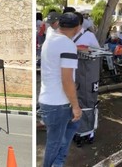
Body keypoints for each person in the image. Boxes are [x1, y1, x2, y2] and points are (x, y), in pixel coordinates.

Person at [38, 12, 82, 167]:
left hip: (50, 100)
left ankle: (58, 163)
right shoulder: (67, 44)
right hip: (58, 103)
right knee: (54, 143)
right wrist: (75, 106)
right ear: (77, 28)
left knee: (70, 128)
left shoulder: (50, 40)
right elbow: (67, 80)